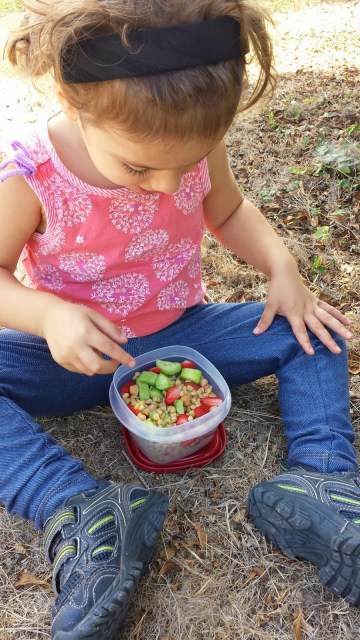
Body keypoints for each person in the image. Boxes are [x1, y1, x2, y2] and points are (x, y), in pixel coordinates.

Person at [0, 0, 358, 637]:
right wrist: (50, 315)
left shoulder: (193, 141)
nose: (169, 188)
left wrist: (283, 268)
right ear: (71, 98)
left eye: (184, 167)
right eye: (139, 169)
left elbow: (227, 212)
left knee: (315, 329)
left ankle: (323, 483)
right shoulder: (29, 173)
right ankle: (83, 510)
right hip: (76, 350)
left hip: (184, 338)